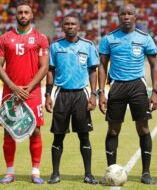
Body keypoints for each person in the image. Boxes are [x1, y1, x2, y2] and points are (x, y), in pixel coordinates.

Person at [98, 4, 157, 185]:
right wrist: (101, 92)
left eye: (130, 13)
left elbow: (155, 65)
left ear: (135, 16)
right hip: (116, 87)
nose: (126, 16)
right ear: (118, 16)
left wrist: (155, 92)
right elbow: (102, 65)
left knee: (143, 129)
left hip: (137, 87)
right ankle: (110, 171)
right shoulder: (109, 39)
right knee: (113, 130)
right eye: (123, 13)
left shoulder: (145, 38)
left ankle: (146, 173)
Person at [0, 1, 49, 184]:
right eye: (20, 12)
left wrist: (29, 86)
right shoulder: (4, 38)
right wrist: (14, 86)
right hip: (10, 93)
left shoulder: (41, 38)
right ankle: (9, 172)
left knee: (35, 131)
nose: (23, 15)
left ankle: (35, 172)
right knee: (9, 132)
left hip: (32, 93)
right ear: (16, 15)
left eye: (26, 12)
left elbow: (44, 67)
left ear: (31, 15)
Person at [45, 14, 99, 185]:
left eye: (73, 24)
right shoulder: (55, 47)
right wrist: (48, 94)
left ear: (79, 27)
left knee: (84, 136)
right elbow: (50, 71)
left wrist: (93, 94)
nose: (70, 26)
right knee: (58, 136)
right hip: (61, 94)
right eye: (67, 24)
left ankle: (88, 174)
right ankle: (55, 174)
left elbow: (92, 71)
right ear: (62, 27)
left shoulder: (88, 46)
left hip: (81, 95)